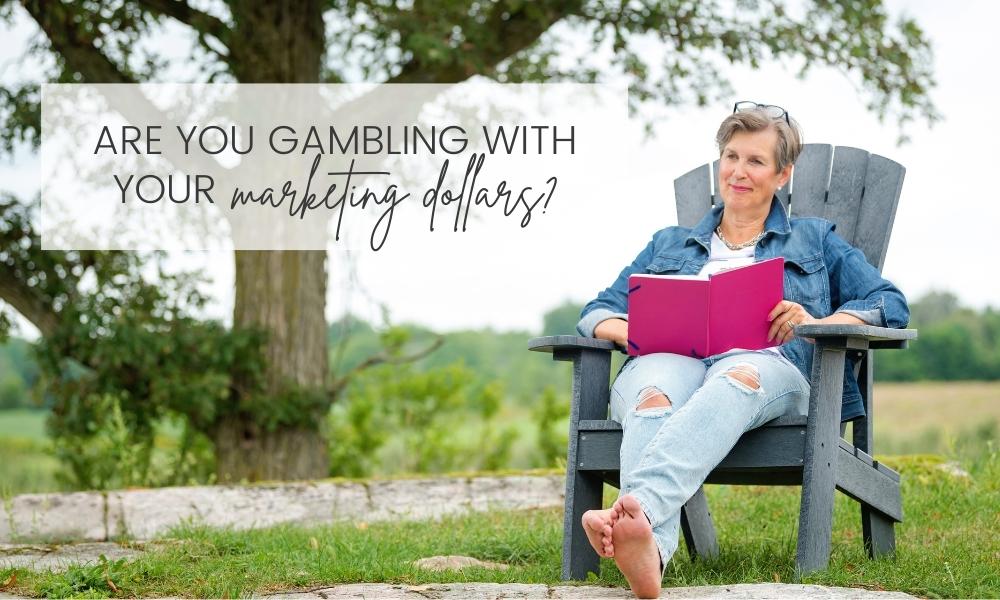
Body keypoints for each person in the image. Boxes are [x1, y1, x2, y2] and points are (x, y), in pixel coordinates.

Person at [575, 102, 909, 599]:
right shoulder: (669, 244)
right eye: (731, 156)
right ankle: (650, 552)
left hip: (767, 370)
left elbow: (890, 303)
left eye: (755, 161)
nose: (738, 171)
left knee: (736, 376)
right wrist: (630, 328)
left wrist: (818, 321)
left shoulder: (814, 239)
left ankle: (637, 508)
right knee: (651, 397)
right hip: (671, 361)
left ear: (782, 174)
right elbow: (596, 310)